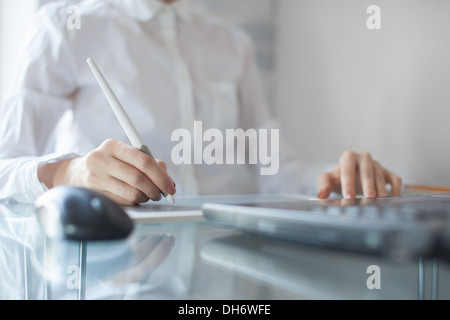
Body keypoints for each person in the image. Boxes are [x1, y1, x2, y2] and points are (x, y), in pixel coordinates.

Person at [0, 0, 402, 205]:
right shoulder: (66, 28)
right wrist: (72, 172)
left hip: (224, 286)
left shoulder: (232, 44)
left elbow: (276, 170)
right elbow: (5, 167)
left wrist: (336, 176)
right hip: (115, 277)